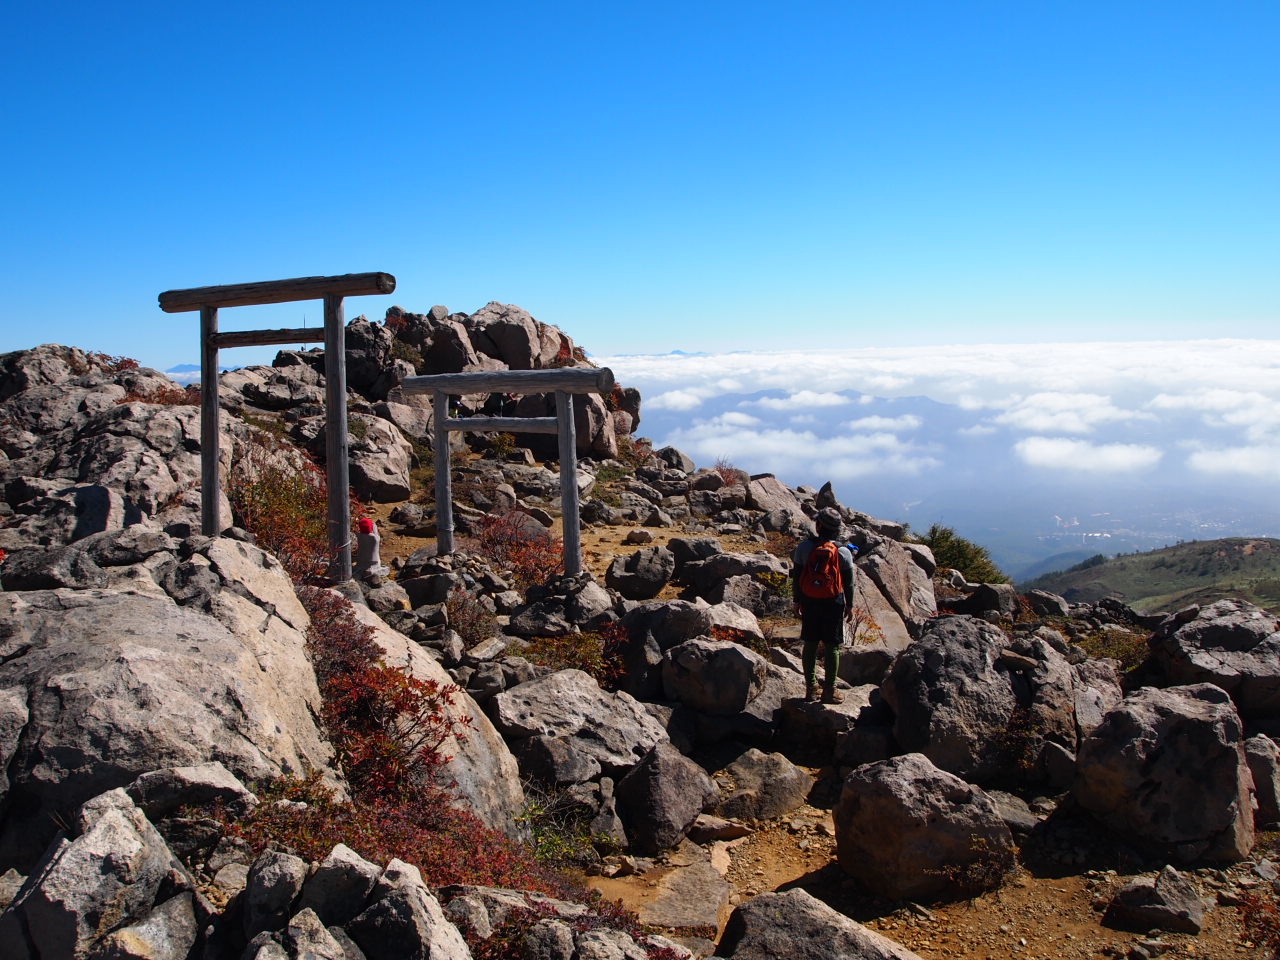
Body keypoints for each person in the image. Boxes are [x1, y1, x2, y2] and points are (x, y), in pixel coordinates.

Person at [791, 507, 856, 703]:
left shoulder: (804, 548)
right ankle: (830, 690)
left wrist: (797, 600)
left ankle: (811, 688)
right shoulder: (843, 551)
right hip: (833, 601)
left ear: (819, 526)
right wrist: (850, 605)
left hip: (810, 600)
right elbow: (849, 583)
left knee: (810, 644)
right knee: (832, 646)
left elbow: (797, 577)